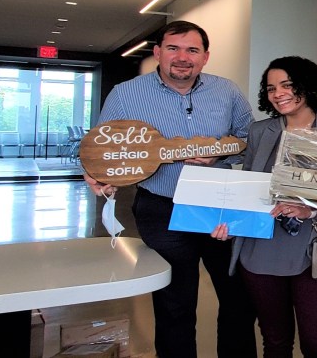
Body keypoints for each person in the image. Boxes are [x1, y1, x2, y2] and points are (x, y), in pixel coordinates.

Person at [83, 20, 257, 358]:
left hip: (220, 205)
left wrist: (219, 153)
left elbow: (250, 138)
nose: (182, 57)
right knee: (174, 303)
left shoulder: (227, 91)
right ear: (158, 53)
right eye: (173, 48)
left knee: (238, 297)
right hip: (162, 208)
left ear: (205, 57)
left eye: (192, 50)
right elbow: (104, 148)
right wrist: (96, 173)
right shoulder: (126, 94)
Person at [211, 56, 317, 358]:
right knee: (275, 341)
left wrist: (311, 209)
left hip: (312, 248)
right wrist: (230, 223)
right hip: (260, 247)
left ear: (308, 86)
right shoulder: (260, 131)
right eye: (271, 88)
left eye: (287, 85)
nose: (278, 94)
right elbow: (248, 186)